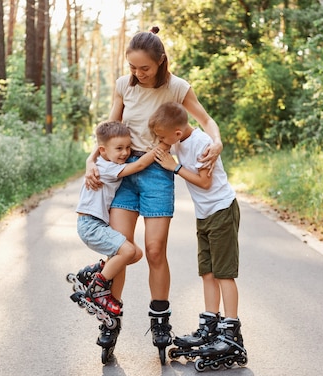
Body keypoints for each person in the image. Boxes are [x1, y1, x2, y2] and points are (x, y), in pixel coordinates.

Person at [84, 26, 224, 359]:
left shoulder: (177, 87)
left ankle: (160, 319)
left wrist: (216, 143)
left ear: (160, 62)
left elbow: (206, 120)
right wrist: (92, 160)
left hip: (159, 172)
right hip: (125, 173)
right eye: (133, 67)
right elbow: (108, 132)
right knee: (119, 249)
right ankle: (109, 319)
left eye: (144, 68)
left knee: (155, 250)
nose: (137, 73)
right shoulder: (123, 86)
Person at [150, 102, 246, 365]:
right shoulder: (178, 141)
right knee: (207, 271)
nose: (161, 142)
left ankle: (230, 332)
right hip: (204, 214)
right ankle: (210, 325)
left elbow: (205, 181)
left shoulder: (202, 143)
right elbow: (163, 146)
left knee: (224, 273)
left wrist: (175, 167)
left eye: (162, 137)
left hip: (221, 210)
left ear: (178, 133)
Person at [72, 121, 169, 338]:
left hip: (93, 224)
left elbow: (98, 152)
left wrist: (91, 158)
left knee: (135, 253)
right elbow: (139, 166)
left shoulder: (99, 160)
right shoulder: (106, 167)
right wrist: (160, 147)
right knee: (126, 252)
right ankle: (96, 291)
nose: (125, 153)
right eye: (119, 148)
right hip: (91, 225)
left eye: (128, 147)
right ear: (104, 150)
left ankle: (93, 272)